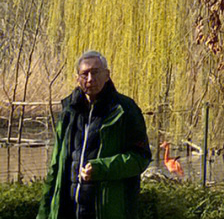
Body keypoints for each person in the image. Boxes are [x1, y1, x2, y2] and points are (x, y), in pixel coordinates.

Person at [37, 51, 152, 219]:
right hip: (69, 211)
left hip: (106, 211)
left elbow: (140, 158)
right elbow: (55, 167)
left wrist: (101, 169)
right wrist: (44, 213)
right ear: (77, 78)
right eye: (85, 74)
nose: (90, 79)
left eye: (95, 72)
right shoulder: (69, 111)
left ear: (107, 75)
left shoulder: (124, 110)